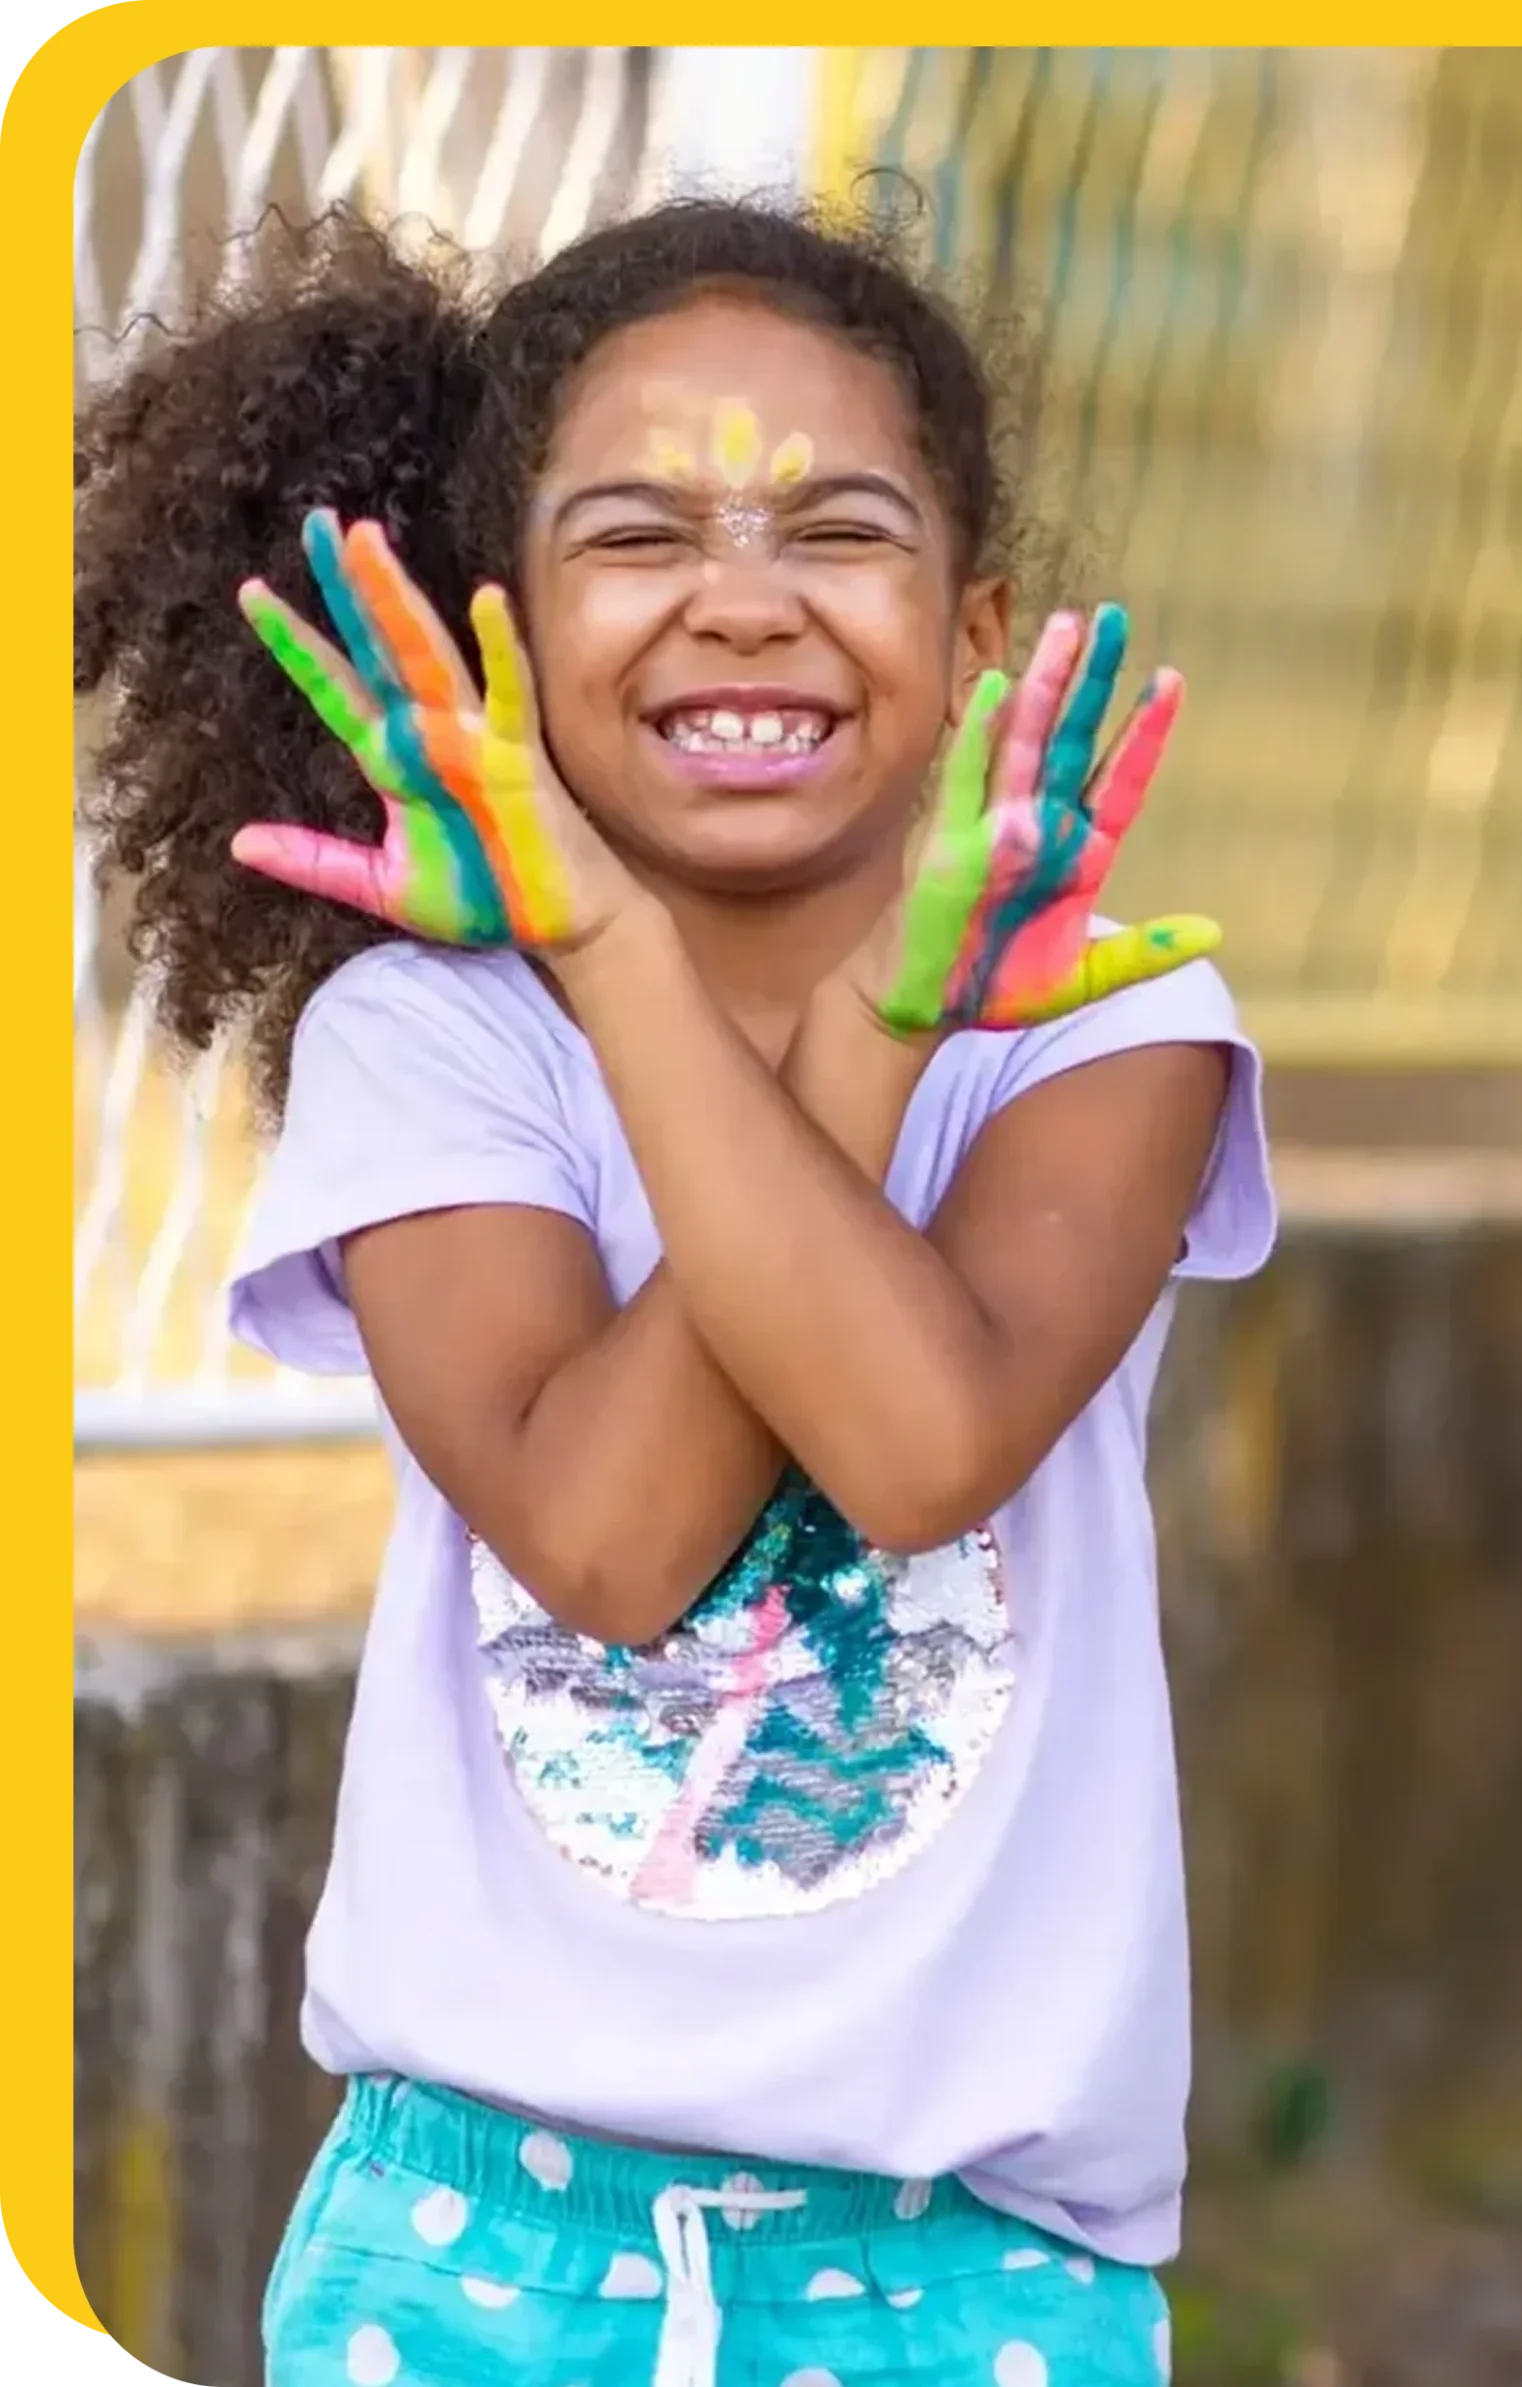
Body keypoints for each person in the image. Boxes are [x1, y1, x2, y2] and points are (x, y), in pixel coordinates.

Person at [75, 190, 1274, 2387]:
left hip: (975, 2264)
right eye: (642, 539)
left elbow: (917, 1446)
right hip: (470, 2239)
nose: (746, 602)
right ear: (503, 630)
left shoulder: (1115, 1034)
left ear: (980, 628)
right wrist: (660, 972)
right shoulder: (436, 1040)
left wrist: (890, 1010)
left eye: (839, 533)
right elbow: (613, 1540)